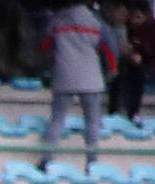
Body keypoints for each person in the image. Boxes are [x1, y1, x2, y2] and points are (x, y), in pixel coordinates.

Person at [37, 0, 118, 171]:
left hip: (63, 75)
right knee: (92, 122)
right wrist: (112, 71)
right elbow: (110, 51)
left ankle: (46, 159)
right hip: (91, 77)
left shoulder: (57, 21)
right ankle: (91, 162)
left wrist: (49, 65)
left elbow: (44, 47)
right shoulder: (96, 22)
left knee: (57, 119)